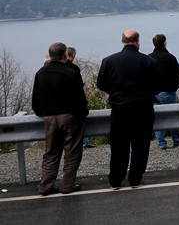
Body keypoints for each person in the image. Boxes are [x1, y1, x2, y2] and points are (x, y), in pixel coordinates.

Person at [97, 29, 163, 188]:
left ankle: (115, 180)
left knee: (119, 145)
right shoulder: (148, 61)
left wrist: (115, 93)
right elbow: (160, 84)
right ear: (138, 42)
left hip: (119, 109)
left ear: (122, 41)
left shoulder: (109, 61)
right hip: (143, 108)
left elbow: (101, 84)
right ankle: (135, 179)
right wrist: (146, 94)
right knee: (141, 145)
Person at [32, 42, 89, 195]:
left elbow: (36, 100)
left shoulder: (41, 73)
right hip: (70, 117)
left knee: (51, 152)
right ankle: (67, 185)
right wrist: (82, 114)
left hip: (50, 117)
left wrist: (42, 112)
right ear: (65, 55)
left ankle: (46, 186)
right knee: (72, 152)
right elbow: (80, 100)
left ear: (50, 56)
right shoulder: (71, 73)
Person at [148, 34, 179, 150]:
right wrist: (174, 87)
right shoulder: (170, 58)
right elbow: (178, 76)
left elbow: (145, 77)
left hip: (153, 93)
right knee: (173, 116)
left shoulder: (148, 58)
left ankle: (161, 143)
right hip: (168, 92)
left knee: (157, 118)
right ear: (164, 43)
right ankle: (176, 140)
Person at [65, 46, 95, 149]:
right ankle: (83, 142)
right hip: (74, 104)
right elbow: (77, 89)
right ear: (72, 55)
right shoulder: (73, 68)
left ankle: (82, 141)